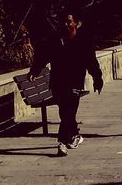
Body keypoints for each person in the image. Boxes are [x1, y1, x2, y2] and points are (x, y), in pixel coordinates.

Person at [29, 12, 103, 156]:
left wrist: (97, 79)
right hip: (58, 82)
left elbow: (92, 62)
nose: (66, 24)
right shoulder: (55, 40)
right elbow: (43, 56)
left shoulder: (83, 41)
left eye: (69, 22)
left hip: (75, 82)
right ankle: (74, 134)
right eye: (64, 22)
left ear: (76, 23)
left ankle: (62, 142)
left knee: (69, 111)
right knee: (65, 112)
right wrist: (34, 71)